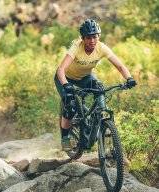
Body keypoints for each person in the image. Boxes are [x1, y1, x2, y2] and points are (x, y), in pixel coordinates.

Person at [54, 19, 137, 151]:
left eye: (94, 37)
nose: (92, 41)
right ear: (83, 38)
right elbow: (60, 70)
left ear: (98, 36)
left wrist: (129, 78)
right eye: (88, 37)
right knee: (70, 106)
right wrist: (66, 85)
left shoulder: (102, 48)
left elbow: (120, 66)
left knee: (100, 89)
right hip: (65, 78)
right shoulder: (76, 46)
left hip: (85, 78)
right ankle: (65, 138)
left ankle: (97, 118)